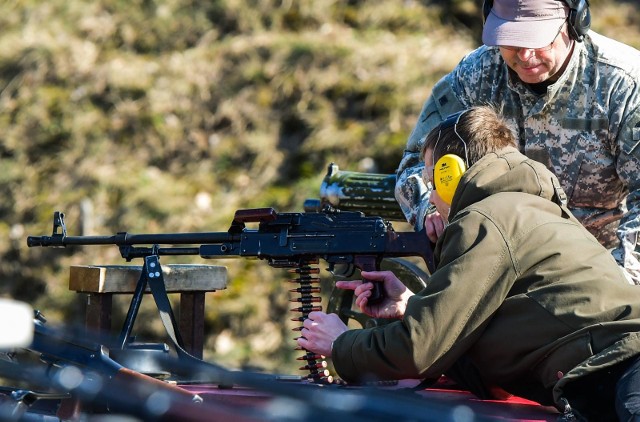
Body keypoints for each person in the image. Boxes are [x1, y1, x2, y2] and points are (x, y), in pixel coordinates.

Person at [298, 106, 640, 421]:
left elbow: (421, 350)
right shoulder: (526, 208)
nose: (431, 197)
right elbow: (482, 362)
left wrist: (341, 344)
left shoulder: (485, 218)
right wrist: (414, 308)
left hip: (628, 369)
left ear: (453, 174)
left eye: (434, 182)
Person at [394, 0, 640, 284]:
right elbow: (414, 163)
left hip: (597, 271)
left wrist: (619, 286)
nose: (525, 54)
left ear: (574, 22)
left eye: (538, 40)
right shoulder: (476, 75)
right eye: (511, 39)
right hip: (498, 271)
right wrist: (430, 209)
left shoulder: (623, 85)